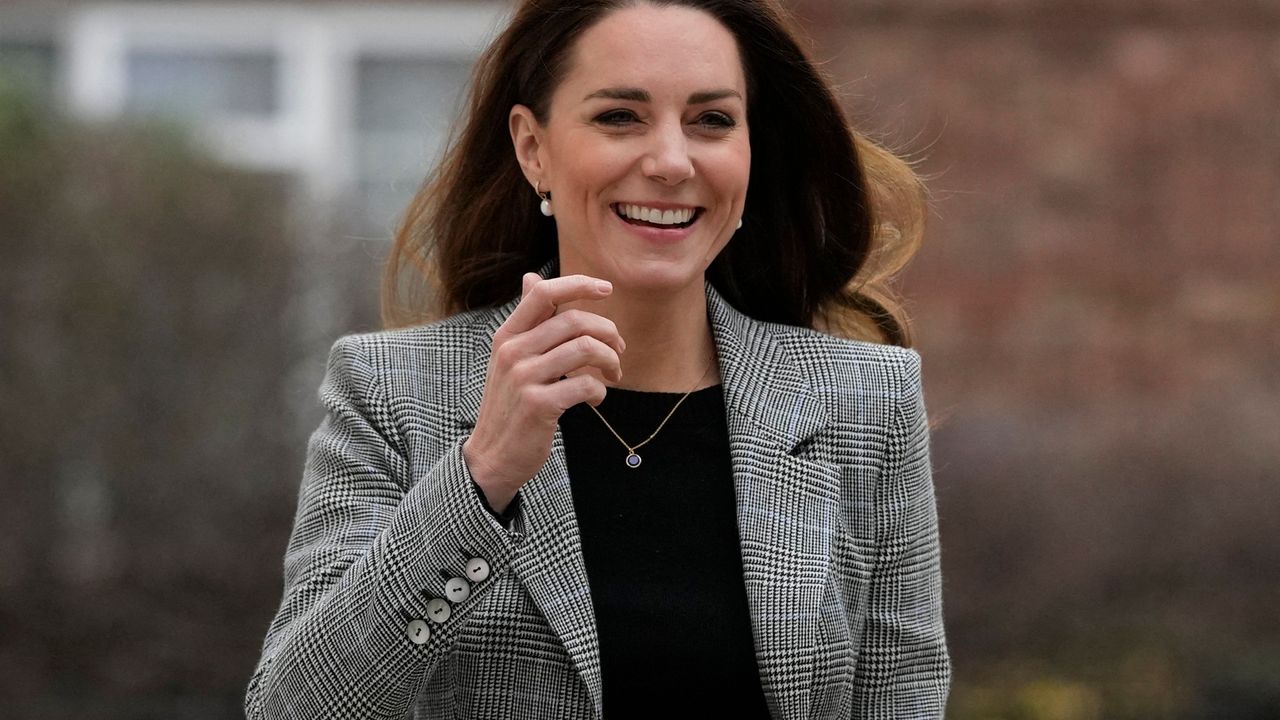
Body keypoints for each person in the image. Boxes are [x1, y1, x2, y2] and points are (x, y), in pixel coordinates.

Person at [246, 0, 949, 717]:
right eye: (620, 117)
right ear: (533, 148)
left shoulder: (868, 402)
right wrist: (481, 474)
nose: (672, 161)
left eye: (712, 120)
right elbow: (294, 705)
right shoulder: (391, 391)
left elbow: (904, 698)